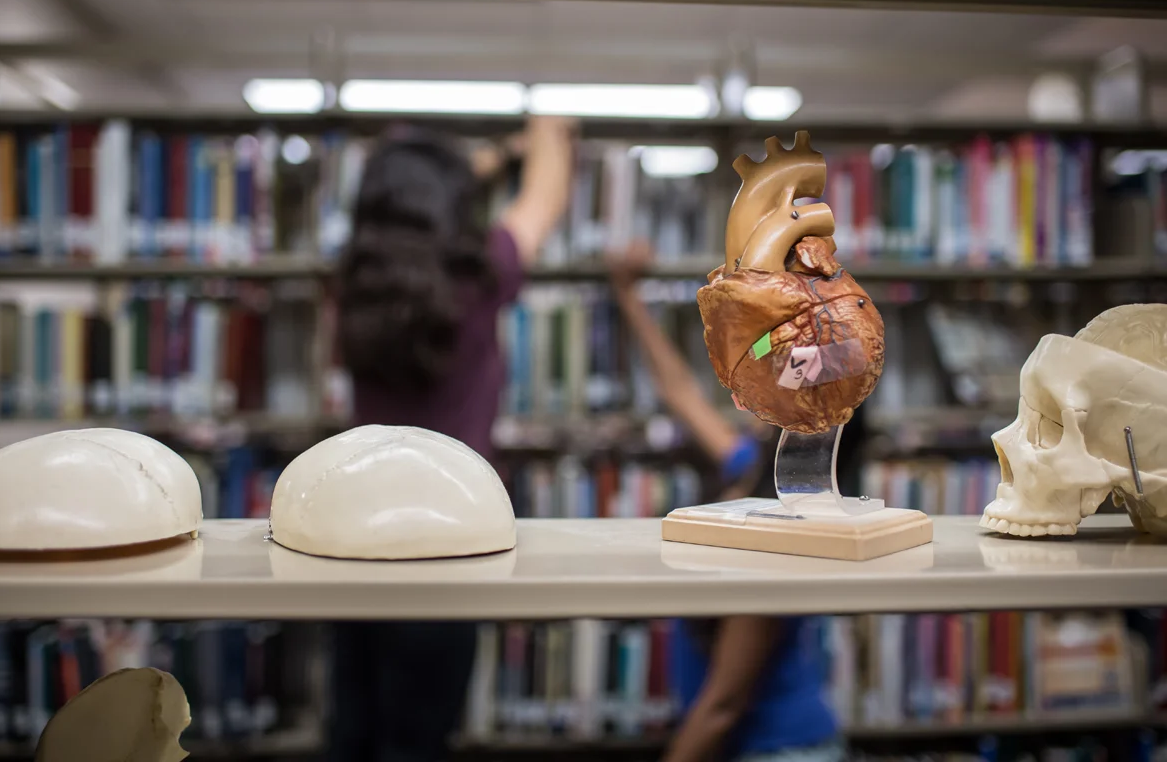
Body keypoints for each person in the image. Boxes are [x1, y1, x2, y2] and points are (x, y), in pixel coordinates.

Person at [328, 114, 577, 762]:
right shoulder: (479, 276)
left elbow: (417, 193)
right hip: (445, 546)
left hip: (350, 546)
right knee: (418, 743)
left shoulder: (354, 284)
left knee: (351, 732)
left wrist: (488, 158)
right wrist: (547, 128)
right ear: (453, 205)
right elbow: (544, 198)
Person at [606, 241, 849, 762]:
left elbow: (724, 703)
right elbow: (681, 394)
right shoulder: (750, 469)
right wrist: (628, 296)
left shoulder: (783, 523)